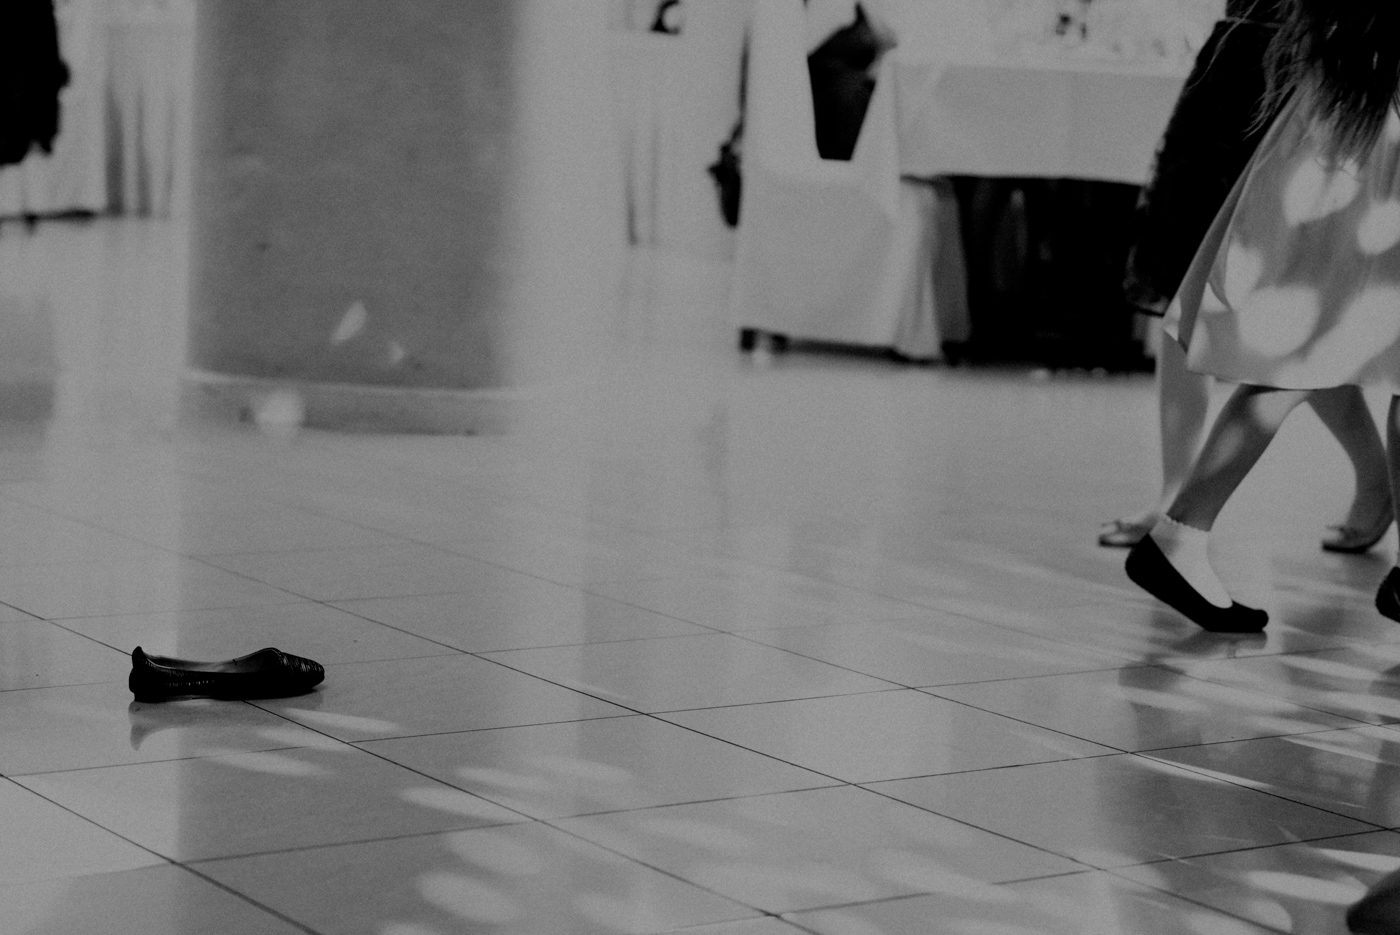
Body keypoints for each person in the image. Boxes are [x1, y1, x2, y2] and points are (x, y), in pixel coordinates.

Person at [1125, 0, 1400, 633]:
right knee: (1304, 359)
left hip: (1346, 112)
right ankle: (1179, 535)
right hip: (1369, 123)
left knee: (1303, 359)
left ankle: (1180, 535)